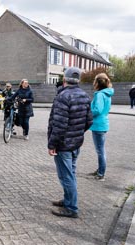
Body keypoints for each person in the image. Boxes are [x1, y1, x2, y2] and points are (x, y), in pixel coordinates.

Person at [48, 67, 93, 218]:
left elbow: (59, 124)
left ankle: (71, 208)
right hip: (75, 143)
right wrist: (77, 133)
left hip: (63, 145)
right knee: (70, 173)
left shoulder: (63, 96)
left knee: (66, 176)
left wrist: (52, 144)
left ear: (64, 79)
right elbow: (89, 121)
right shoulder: (85, 96)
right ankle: (68, 200)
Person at [89, 73, 114, 181]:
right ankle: (100, 170)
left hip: (98, 125)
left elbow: (97, 110)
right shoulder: (107, 93)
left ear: (97, 82)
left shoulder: (99, 94)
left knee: (100, 151)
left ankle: (101, 174)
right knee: (100, 150)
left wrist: (88, 113)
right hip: (103, 123)